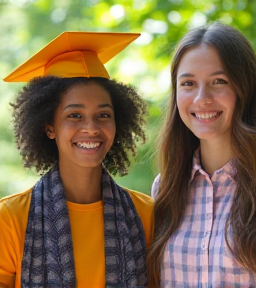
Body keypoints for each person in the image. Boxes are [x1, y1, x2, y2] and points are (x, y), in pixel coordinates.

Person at [0, 31, 154, 288]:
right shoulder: (11, 218)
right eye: (75, 116)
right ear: (49, 126)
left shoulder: (146, 213)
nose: (91, 128)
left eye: (103, 115)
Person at [147, 22, 256, 287]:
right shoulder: (165, 188)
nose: (202, 98)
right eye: (188, 83)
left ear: (245, 90)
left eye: (218, 82)